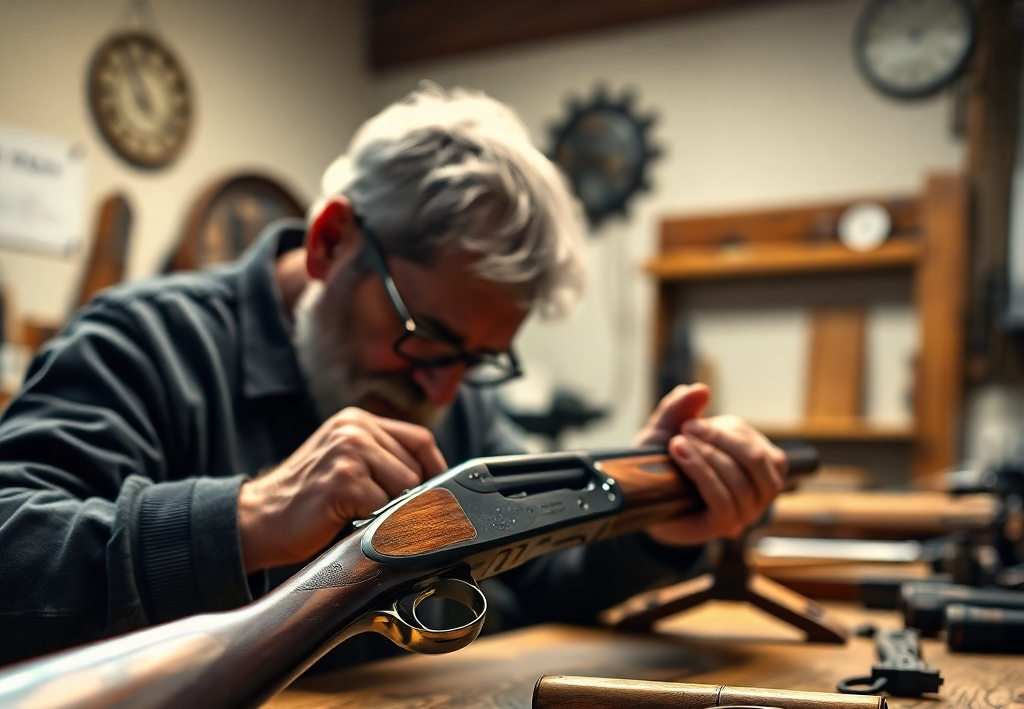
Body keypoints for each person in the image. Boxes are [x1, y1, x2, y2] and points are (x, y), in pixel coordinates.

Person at [0, 85, 786, 668]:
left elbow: (541, 582)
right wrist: (249, 517)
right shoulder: (141, 341)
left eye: (480, 358)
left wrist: (651, 527)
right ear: (331, 242)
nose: (447, 392)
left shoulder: (456, 390)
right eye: (427, 336)